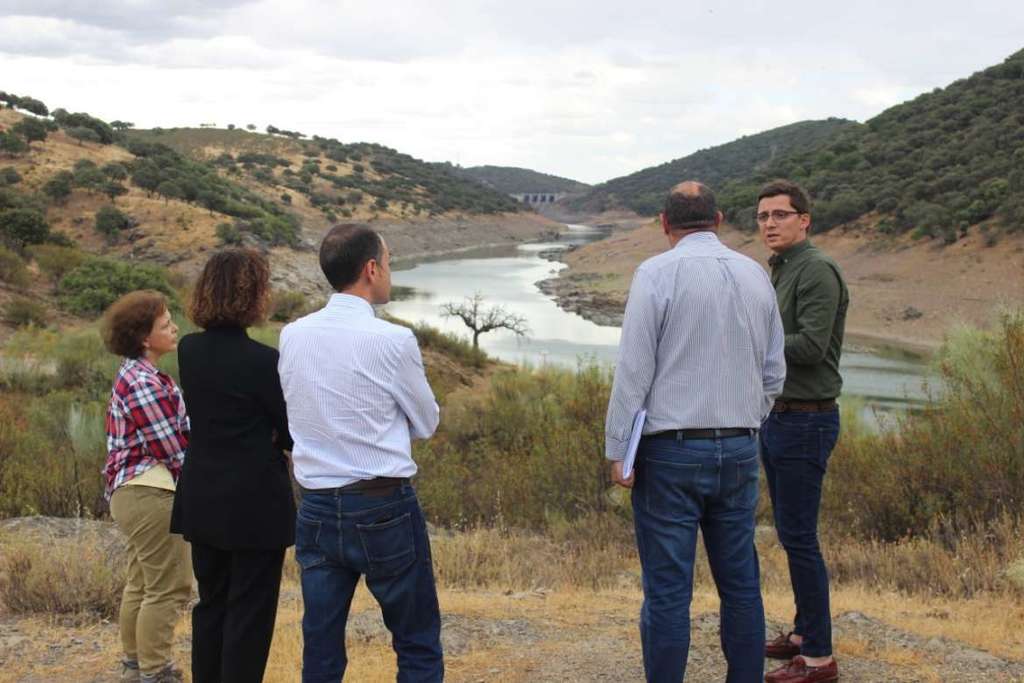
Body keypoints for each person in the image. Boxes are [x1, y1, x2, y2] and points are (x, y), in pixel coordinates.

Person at [606, 181, 785, 683]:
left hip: (670, 455)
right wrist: (745, 422)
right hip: (740, 448)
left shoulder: (655, 273)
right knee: (742, 584)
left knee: (667, 591)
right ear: (720, 220)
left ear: (665, 224)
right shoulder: (755, 274)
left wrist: (619, 448)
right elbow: (774, 372)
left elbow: (634, 370)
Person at [278, 223, 443, 683]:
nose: (390, 272)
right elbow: (427, 423)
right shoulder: (393, 340)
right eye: (388, 263)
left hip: (314, 507)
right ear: (371, 269)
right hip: (382, 506)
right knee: (416, 641)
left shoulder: (293, 335)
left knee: (322, 646)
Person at [170, 248, 294, 682]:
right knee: (250, 616)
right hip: (255, 504)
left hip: (203, 496)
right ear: (254, 295)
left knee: (211, 607)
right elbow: (289, 431)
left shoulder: (189, 350)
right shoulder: (265, 362)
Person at [757, 180, 848, 683]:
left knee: (800, 538)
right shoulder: (783, 268)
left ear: (804, 220)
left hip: (807, 419)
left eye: (780, 215)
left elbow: (811, 346)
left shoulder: (816, 269)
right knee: (793, 536)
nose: (770, 223)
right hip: (781, 415)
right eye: (763, 216)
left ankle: (818, 659)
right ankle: (800, 633)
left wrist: (753, 337)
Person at [102, 290, 192, 683]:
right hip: (149, 492)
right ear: (144, 338)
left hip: (133, 493)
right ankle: (155, 672)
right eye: (165, 324)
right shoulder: (144, 383)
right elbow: (173, 448)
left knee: (142, 583)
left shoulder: (138, 373)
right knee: (169, 585)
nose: (175, 328)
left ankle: (135, 666)